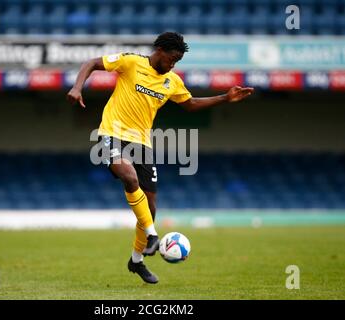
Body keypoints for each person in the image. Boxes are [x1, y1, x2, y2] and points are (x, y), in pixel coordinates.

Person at [67, 32, 254, 284]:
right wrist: (77, 87)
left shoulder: (172, 81)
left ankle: (136, 261)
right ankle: (153, 236)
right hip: (111, 133)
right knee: (129, 177)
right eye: (172, 58)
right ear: (160, 50)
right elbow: (91, 62)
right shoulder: (131, 62)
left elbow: (190, 104)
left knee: (151, 207)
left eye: (178, 61)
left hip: (142, 143)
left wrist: (225, 97)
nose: (174, 64)